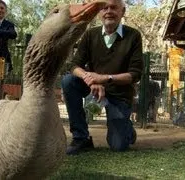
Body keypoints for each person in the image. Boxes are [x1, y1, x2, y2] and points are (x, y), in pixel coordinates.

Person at [61, 0, 143, 154]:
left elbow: (135, 74)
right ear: (99, 12)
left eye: (114, 7)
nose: (108, 11)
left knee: (118, 146)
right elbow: (74, 65)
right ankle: (81, 138)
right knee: (68, 81)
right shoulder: (90, 34)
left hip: (119, 94)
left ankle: (127, 129)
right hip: (94, 88)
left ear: (122, 11)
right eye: (104, 8)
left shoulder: (133, 36)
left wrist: (104, 78)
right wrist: (91, 80)